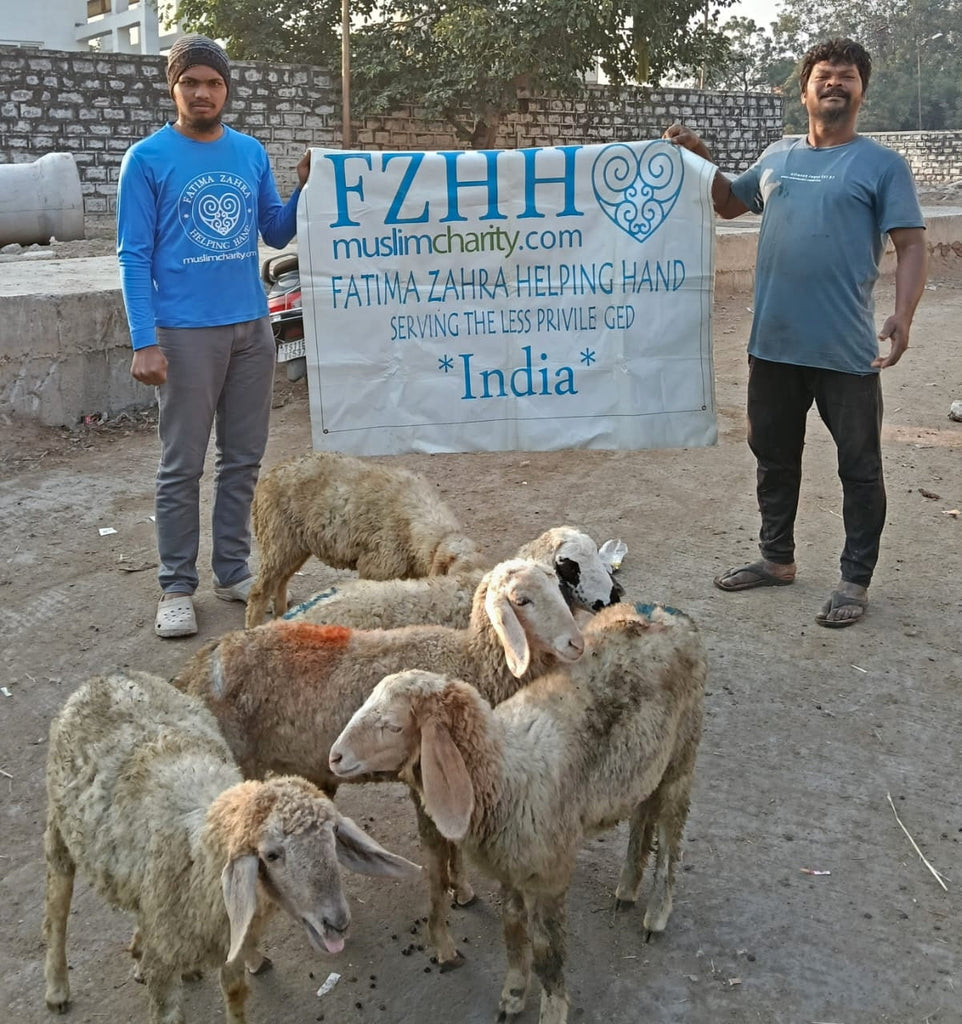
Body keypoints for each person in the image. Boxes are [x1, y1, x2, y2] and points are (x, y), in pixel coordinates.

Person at [665, 37, 927, 628]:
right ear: (805, 89)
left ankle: (854, 579)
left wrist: (904, 314)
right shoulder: (778, 155)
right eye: (824, 75)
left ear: (861, 91)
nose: (835, 83)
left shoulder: (881, 165)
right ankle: (776, 559)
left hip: (845, 351)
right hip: (773, 346)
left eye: (847, 76)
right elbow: (731, 202)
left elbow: (911, 244)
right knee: (773, 456)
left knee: (859, 467)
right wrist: (697, 157)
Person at [116, 35, 310, 638]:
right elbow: (132, 256)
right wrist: (144, 340)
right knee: (181, 464)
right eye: (191, 82)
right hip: (183, 335)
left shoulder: (249, 153)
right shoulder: (146, 160)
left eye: (214, 83)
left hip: (251, 326)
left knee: (244, 457)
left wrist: (306, 185)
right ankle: (176, 585)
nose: (202, 93)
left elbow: (276, 232)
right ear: (174, 88)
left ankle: (231, 568)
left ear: (227, 89)